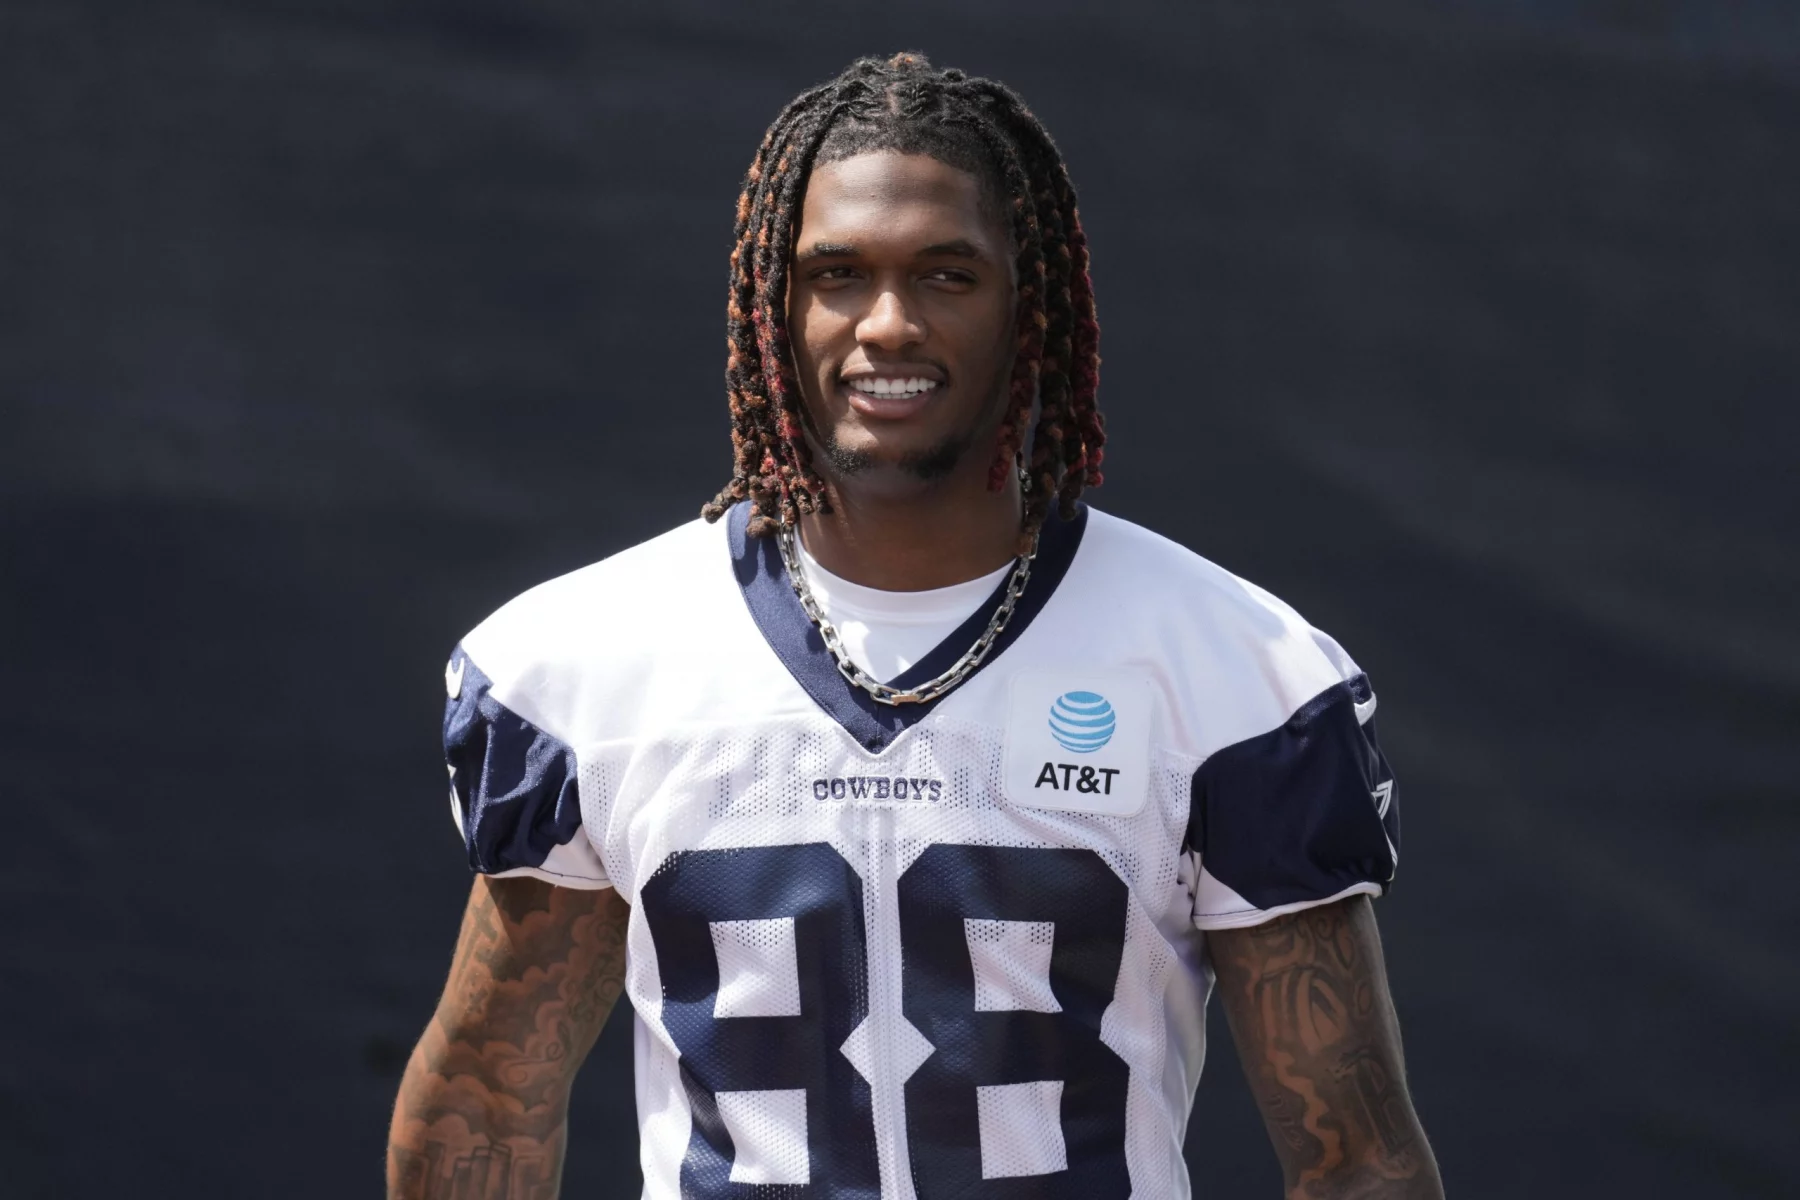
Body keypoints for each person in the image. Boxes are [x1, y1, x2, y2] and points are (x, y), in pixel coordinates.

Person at [387, 52, 1444, 1200]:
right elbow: (490, 1104)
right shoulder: (588, 665)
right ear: (773, 304)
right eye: (838, 274)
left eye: (947, 275)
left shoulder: (1236, 674)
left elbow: (1357, 1159)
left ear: (1028, 298)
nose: (886, 324)